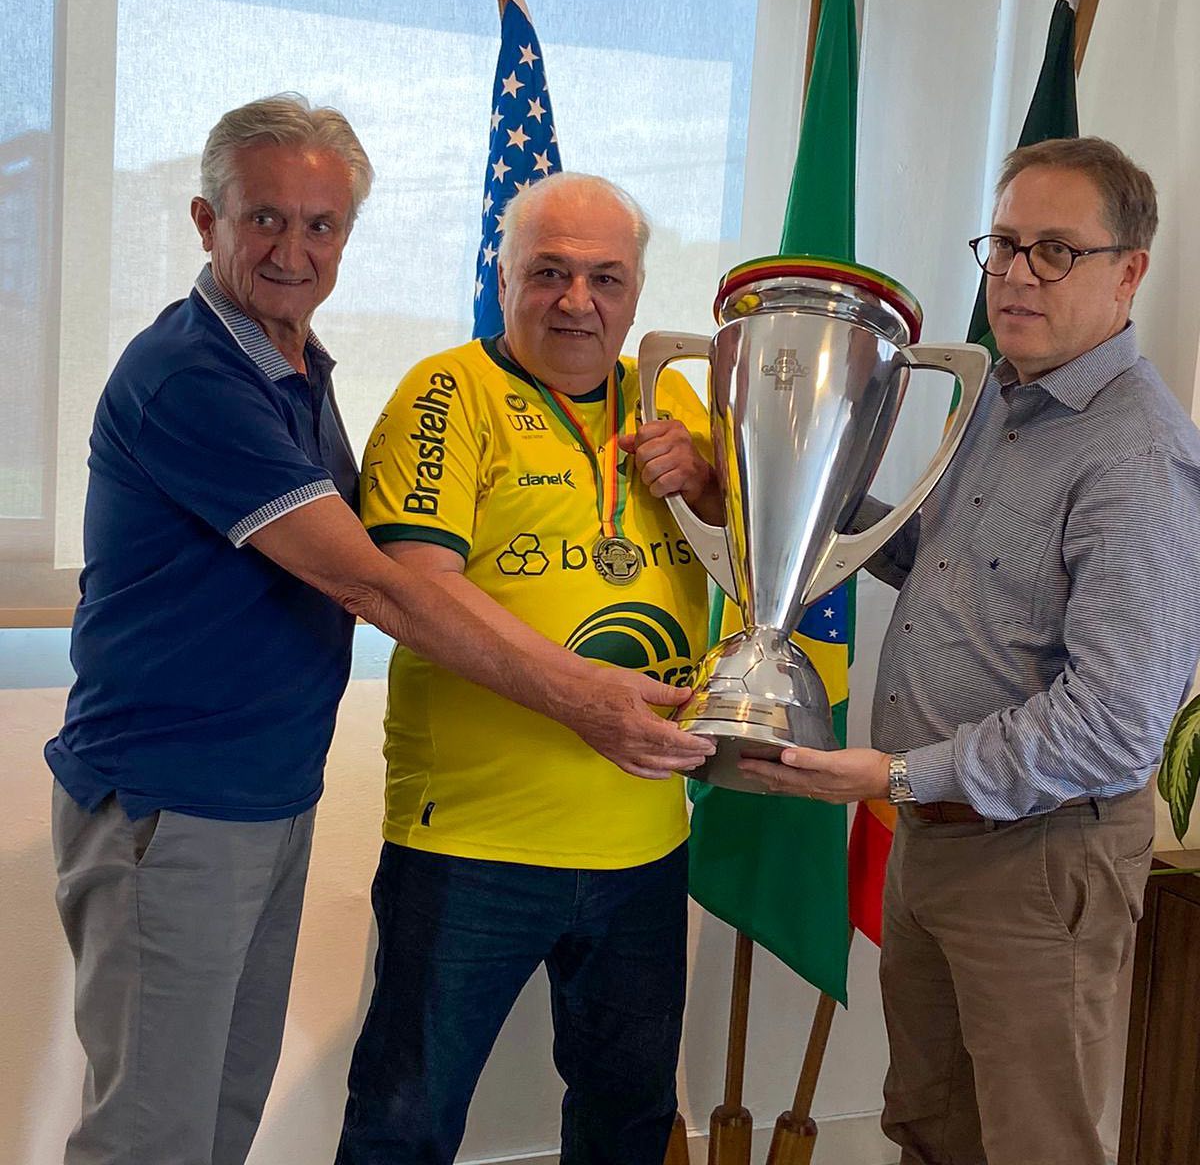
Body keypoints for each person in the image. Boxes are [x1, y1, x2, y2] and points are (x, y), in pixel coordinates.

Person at [46, 100, 711, 1165]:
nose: (293, 250)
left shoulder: (292, 362)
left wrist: (715, 486)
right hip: (172, 802)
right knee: (155, 1136)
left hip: (265, 795)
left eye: (321, 225)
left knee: (218, 1113)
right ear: (207, 221)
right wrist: (588, 698)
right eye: (265, 219)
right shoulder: (193, 375)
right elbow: (377, 585)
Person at [738, 137, 1200, 1165]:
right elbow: (931, 557)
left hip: (1043, 859)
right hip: (935, 838)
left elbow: (1115, 728)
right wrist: (763, 496)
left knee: (1034, 1145)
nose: (1017, 275)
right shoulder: (999, 394)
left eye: (1056, 251)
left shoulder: (1140, 459)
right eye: (1003, 245)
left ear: (1129, 271)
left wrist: (895, 774)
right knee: (931, 1129)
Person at [334, 171, 721, 1165]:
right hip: (473, 844)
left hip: (642, 845)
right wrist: (582, 698)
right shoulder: (445, 393)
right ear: (501, 278)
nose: (576, 301)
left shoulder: (672, 401)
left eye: (605, 277)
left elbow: (766, 561)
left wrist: (713, 484)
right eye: (548, 272)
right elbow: (416, 589)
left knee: (628, 1124)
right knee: (403, 1130)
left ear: (637, 292)